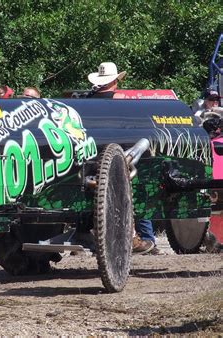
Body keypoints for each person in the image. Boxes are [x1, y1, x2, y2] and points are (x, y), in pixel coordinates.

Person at [87, 61, 158, 255]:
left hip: (91, 158)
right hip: (121, 156)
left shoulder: (87, 101)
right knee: (140, 188)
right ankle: (146, 238)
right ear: (116, 81)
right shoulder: (122, 103)